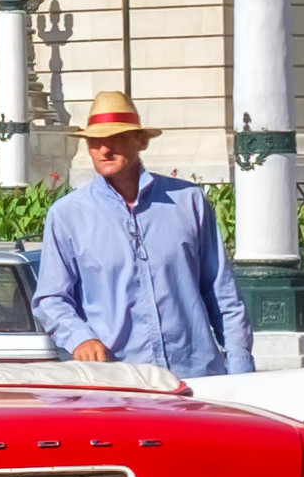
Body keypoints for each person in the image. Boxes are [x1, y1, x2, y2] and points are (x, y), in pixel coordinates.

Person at [28, 95, 249, 377]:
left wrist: (241, 367)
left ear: (141, 141)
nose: (104, 150)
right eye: (95, 142)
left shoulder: (187, 201)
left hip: (196, 377)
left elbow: (222, 292)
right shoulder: (68, 215)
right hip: (118, 381)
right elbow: (51, 298)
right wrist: (80, 338)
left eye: (116, 138)